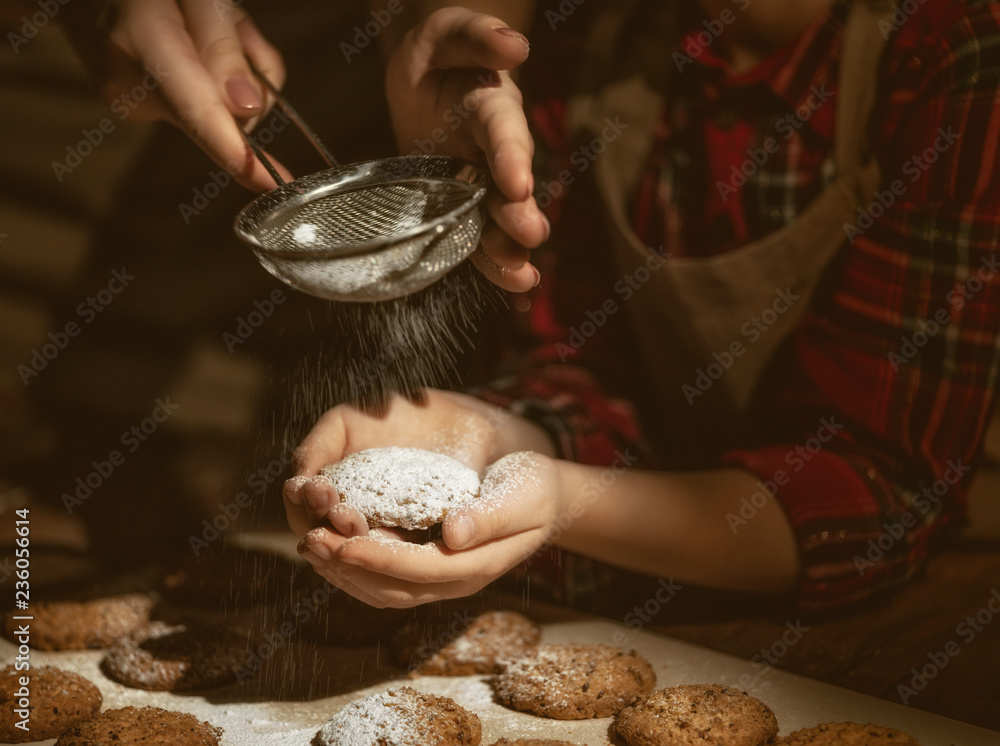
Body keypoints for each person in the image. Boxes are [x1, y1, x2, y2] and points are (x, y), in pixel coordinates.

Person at [67, 0, 1000, 612]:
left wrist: (561, 503)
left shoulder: (956, 58)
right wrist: (484, 435)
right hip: (635, 580)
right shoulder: (593, 39)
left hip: (908, 605)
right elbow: (590, 371)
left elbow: (871, 490)